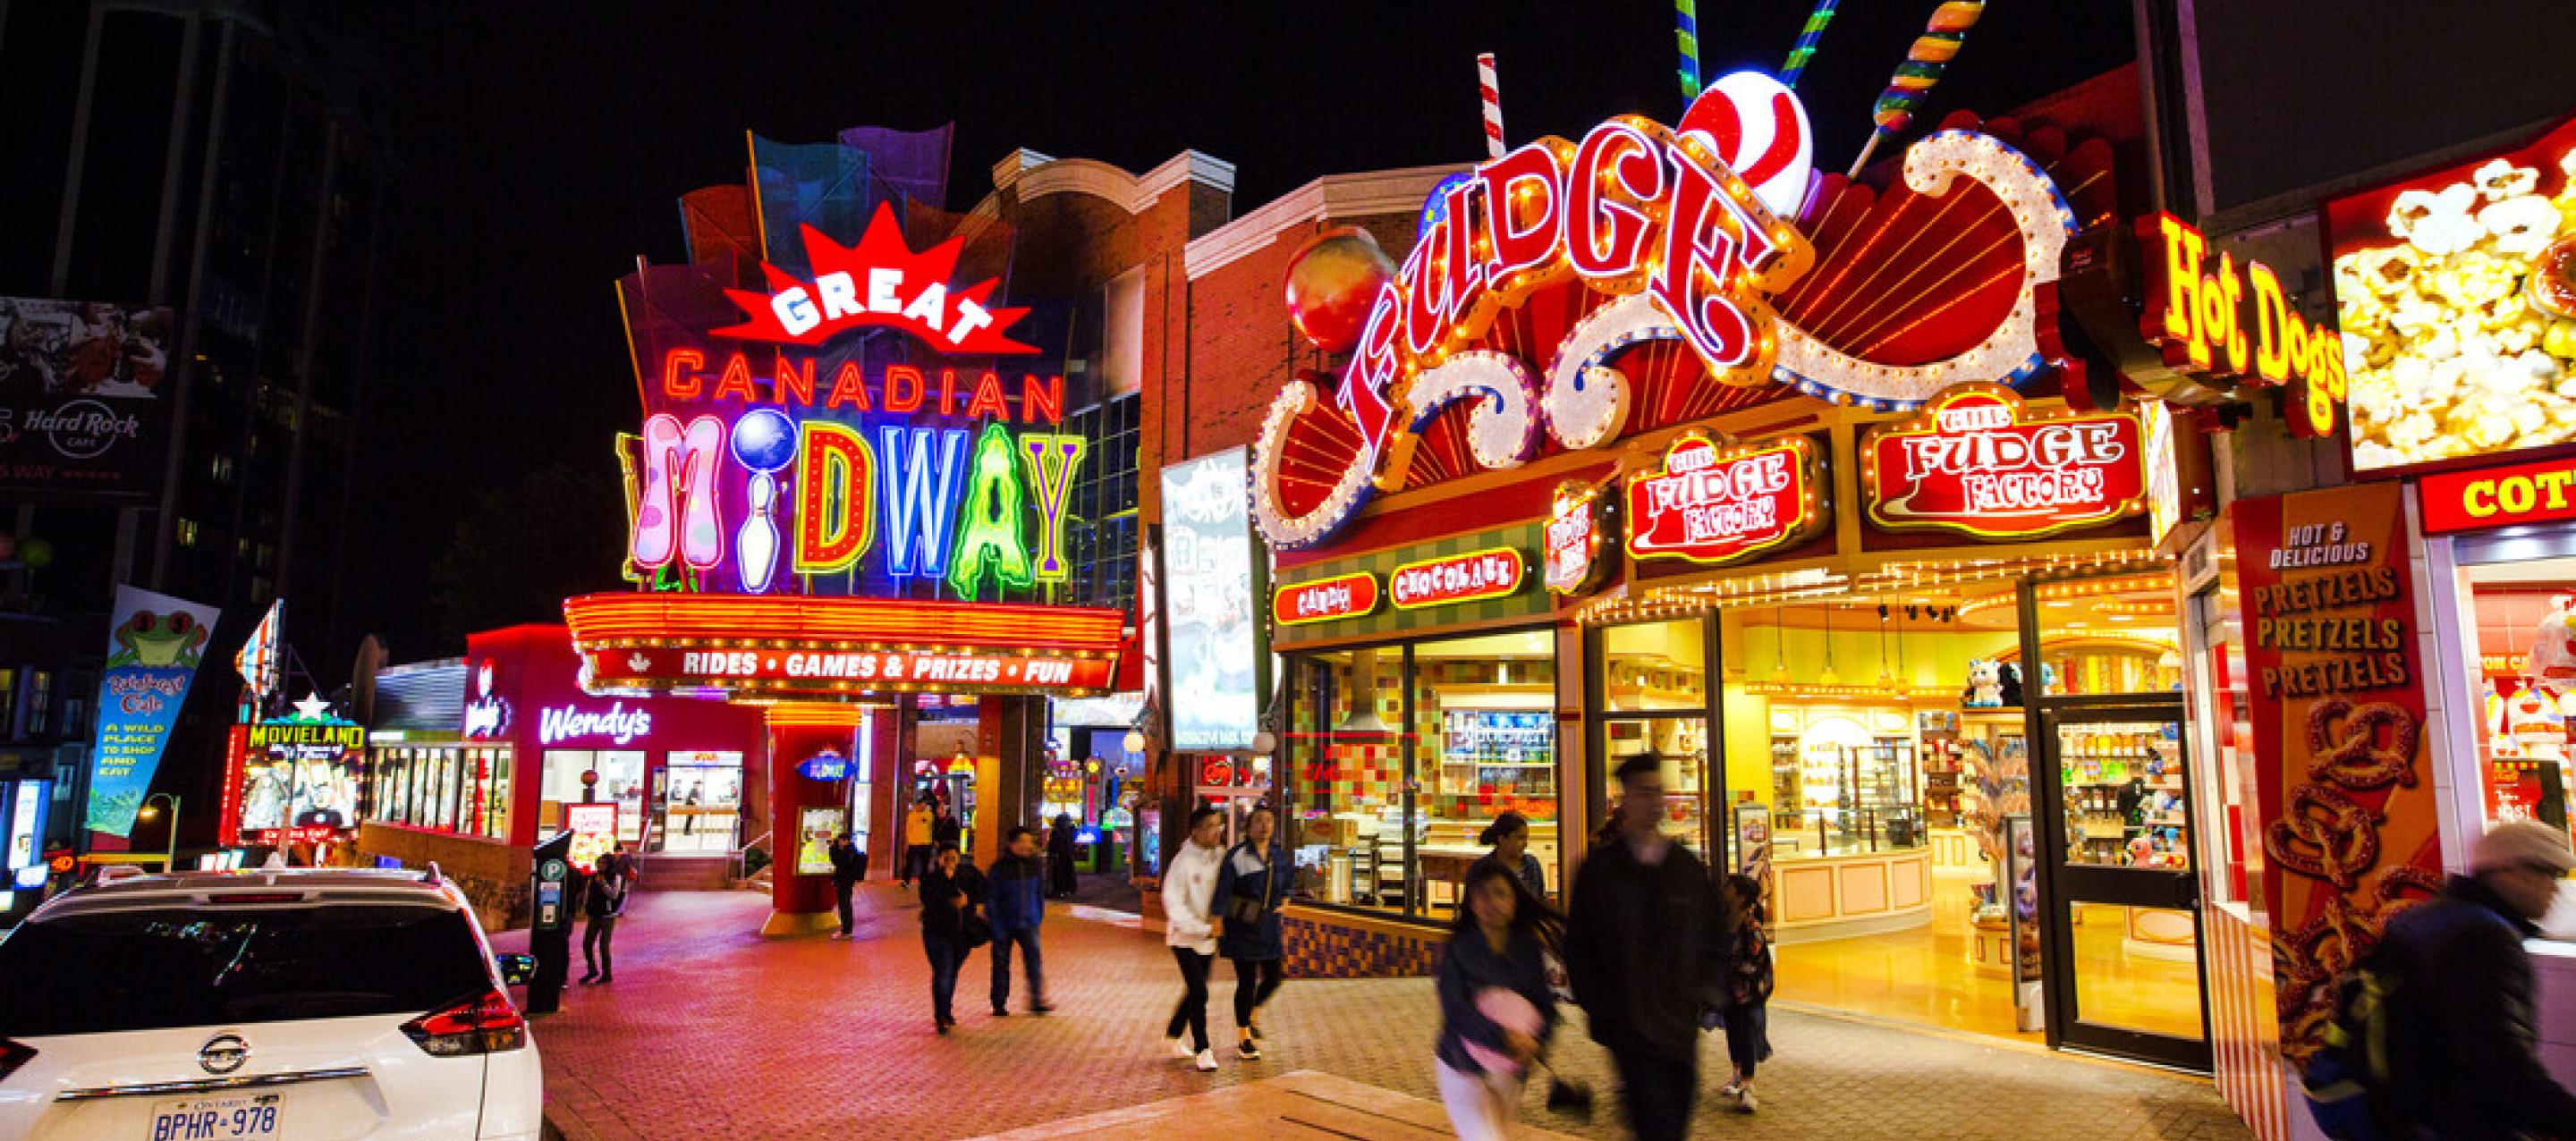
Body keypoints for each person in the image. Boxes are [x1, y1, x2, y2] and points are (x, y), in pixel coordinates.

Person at [2366, 820, 2576, 1138]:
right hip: (2450, 1123)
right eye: (2545, 871)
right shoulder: (2483, 939)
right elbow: (2500, 1063)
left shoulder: (2433, 916)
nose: (2554, 886)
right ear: (2506, 870)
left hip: (2403, 1113)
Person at [1563, 753, 1731, 1141]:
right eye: (1644, 793)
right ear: (1624, 800)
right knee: (1655, 1120)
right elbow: (1579, 946)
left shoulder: (1686, 869)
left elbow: (1713, 935)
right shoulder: (1601, 872)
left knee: (1677, 1111)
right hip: (1629, 1027)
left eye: (1659, 792)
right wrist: (1602, 1009)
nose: (1655, 802)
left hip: (1679, 1025)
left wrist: (1705, 994)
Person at [1435, 861, 1563, 1141]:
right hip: (1462, 1066)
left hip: (1509, 1070)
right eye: (1482, 894)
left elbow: (1545, 1008)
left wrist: (1537, 1041)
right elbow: (1455, 1012)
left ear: (1514, 901)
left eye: (1500, 893)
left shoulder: (1528, 949)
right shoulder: (1458, 949)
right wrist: (1503, 1037)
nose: (1491, 902)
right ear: (1472, 902)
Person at [1214, 804, 1289, 1060]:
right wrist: (1217, 920)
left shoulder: (1278, 855)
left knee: (1274, 976)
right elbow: (1223, 890)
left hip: (1268, 926)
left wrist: (1286, 898)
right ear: (1248, 826)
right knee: (1246, 981)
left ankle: (1252, 1011)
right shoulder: (1237, 855)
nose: (1265, 826)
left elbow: (1288, 882)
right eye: (1259, 821)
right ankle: (1244, 1036)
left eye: (1269, 821)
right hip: (1242, 926)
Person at [1162, 806, 1226, 1073]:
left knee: (1195, 991)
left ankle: (1173, 1034)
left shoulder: (1221, 856)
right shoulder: (1182, 862)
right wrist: (1201, 928)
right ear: (1196, 831)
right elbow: (1173, 904)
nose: (1216, 831)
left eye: (1219, 826)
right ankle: (1203, 1049)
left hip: (1208, 938)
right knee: (1200, 992)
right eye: (1210, 827)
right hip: (1184, 939)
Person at [1716, 872, 1774, 1114]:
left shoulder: (1752, 928)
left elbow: (1754, 964)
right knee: (1733, 1030)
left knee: (1747, 1032)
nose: (1724, 889)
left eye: (1729, 887)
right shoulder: (1725, 921)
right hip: (1730, 990)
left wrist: (1727, 969)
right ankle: (1737, 1074)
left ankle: (1748, 1084)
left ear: (1740, 897)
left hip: (1748, 993)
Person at [987, 824, 1054, 1016]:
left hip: (1029, 922)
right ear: (1012, 844)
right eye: (1022, 842)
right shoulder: (999, 868)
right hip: (1004, 923)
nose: (1027, 845)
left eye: (1029, 842)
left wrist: (1038, 915)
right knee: (1001, 964)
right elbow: (992, 898)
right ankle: (999, 1003)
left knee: (1034, 962)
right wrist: (996, 924)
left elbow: (1039, 893)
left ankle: (1037, 1000)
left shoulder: (1034, 865)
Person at [919, 843, 984, 1034]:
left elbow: (985, 890)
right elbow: (927, 899)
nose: (950, 861)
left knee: (951, 972)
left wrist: (968, 899)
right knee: (943, 971)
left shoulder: (969, 874)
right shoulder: (931, 878)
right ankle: (941, 1015)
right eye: (945, 858)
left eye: (953, 858)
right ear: (939, 859)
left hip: (962, 934)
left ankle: (946, 1010)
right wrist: (946, 885)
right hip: (937, 933)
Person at [1469, 810, 1548, 902]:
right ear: (1502, 839)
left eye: (1526, 839)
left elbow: (1541, 900)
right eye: (1520, 838)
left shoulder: (1532, 865)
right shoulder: (1483, 869)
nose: (1525, 844)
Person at [579, 858, 629, 985]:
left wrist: (603, 884)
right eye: (599, 863)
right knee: (587, 943)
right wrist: (586, 907)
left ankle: (607, 973)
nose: (601, 865)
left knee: (604, 945)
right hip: (594, 914)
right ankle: (592, 969)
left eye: (604, 863)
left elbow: (614, 895)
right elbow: (588, 893)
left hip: (608, 915)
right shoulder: (593, 877)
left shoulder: (615, 877)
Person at [828, 832, 864, 938]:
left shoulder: (847, 852)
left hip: (844, 881)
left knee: (844, 905)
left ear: (845, 841)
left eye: (840, 841)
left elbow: (836, 861)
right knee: (845, 904)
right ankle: (846, 929)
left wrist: (832, 848)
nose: (839, 843)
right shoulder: (851, 851)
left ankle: (846, 930)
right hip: (847, 881)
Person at [902, 797, 936, 888]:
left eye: (925, 804)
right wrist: (907, 843)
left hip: (925, 843)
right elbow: (908, 829)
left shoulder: (929, 815)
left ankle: (923, 881)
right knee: (909, 863)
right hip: (913, 843)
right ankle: (906, 881)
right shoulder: (911, 815)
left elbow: (932, 828)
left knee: (924, 864)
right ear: (918, 804)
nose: (924, 806)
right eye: (922, 804)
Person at [1048, 810, 1081, 899]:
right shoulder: (1069, 831)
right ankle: (1067, 890)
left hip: (1060, 856)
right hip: (1067, 855)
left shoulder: (1057, 831)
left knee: (1060, 874)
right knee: (1067, 873)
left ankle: (1061, 890)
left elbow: (1053, 845)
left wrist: (1052, 852)